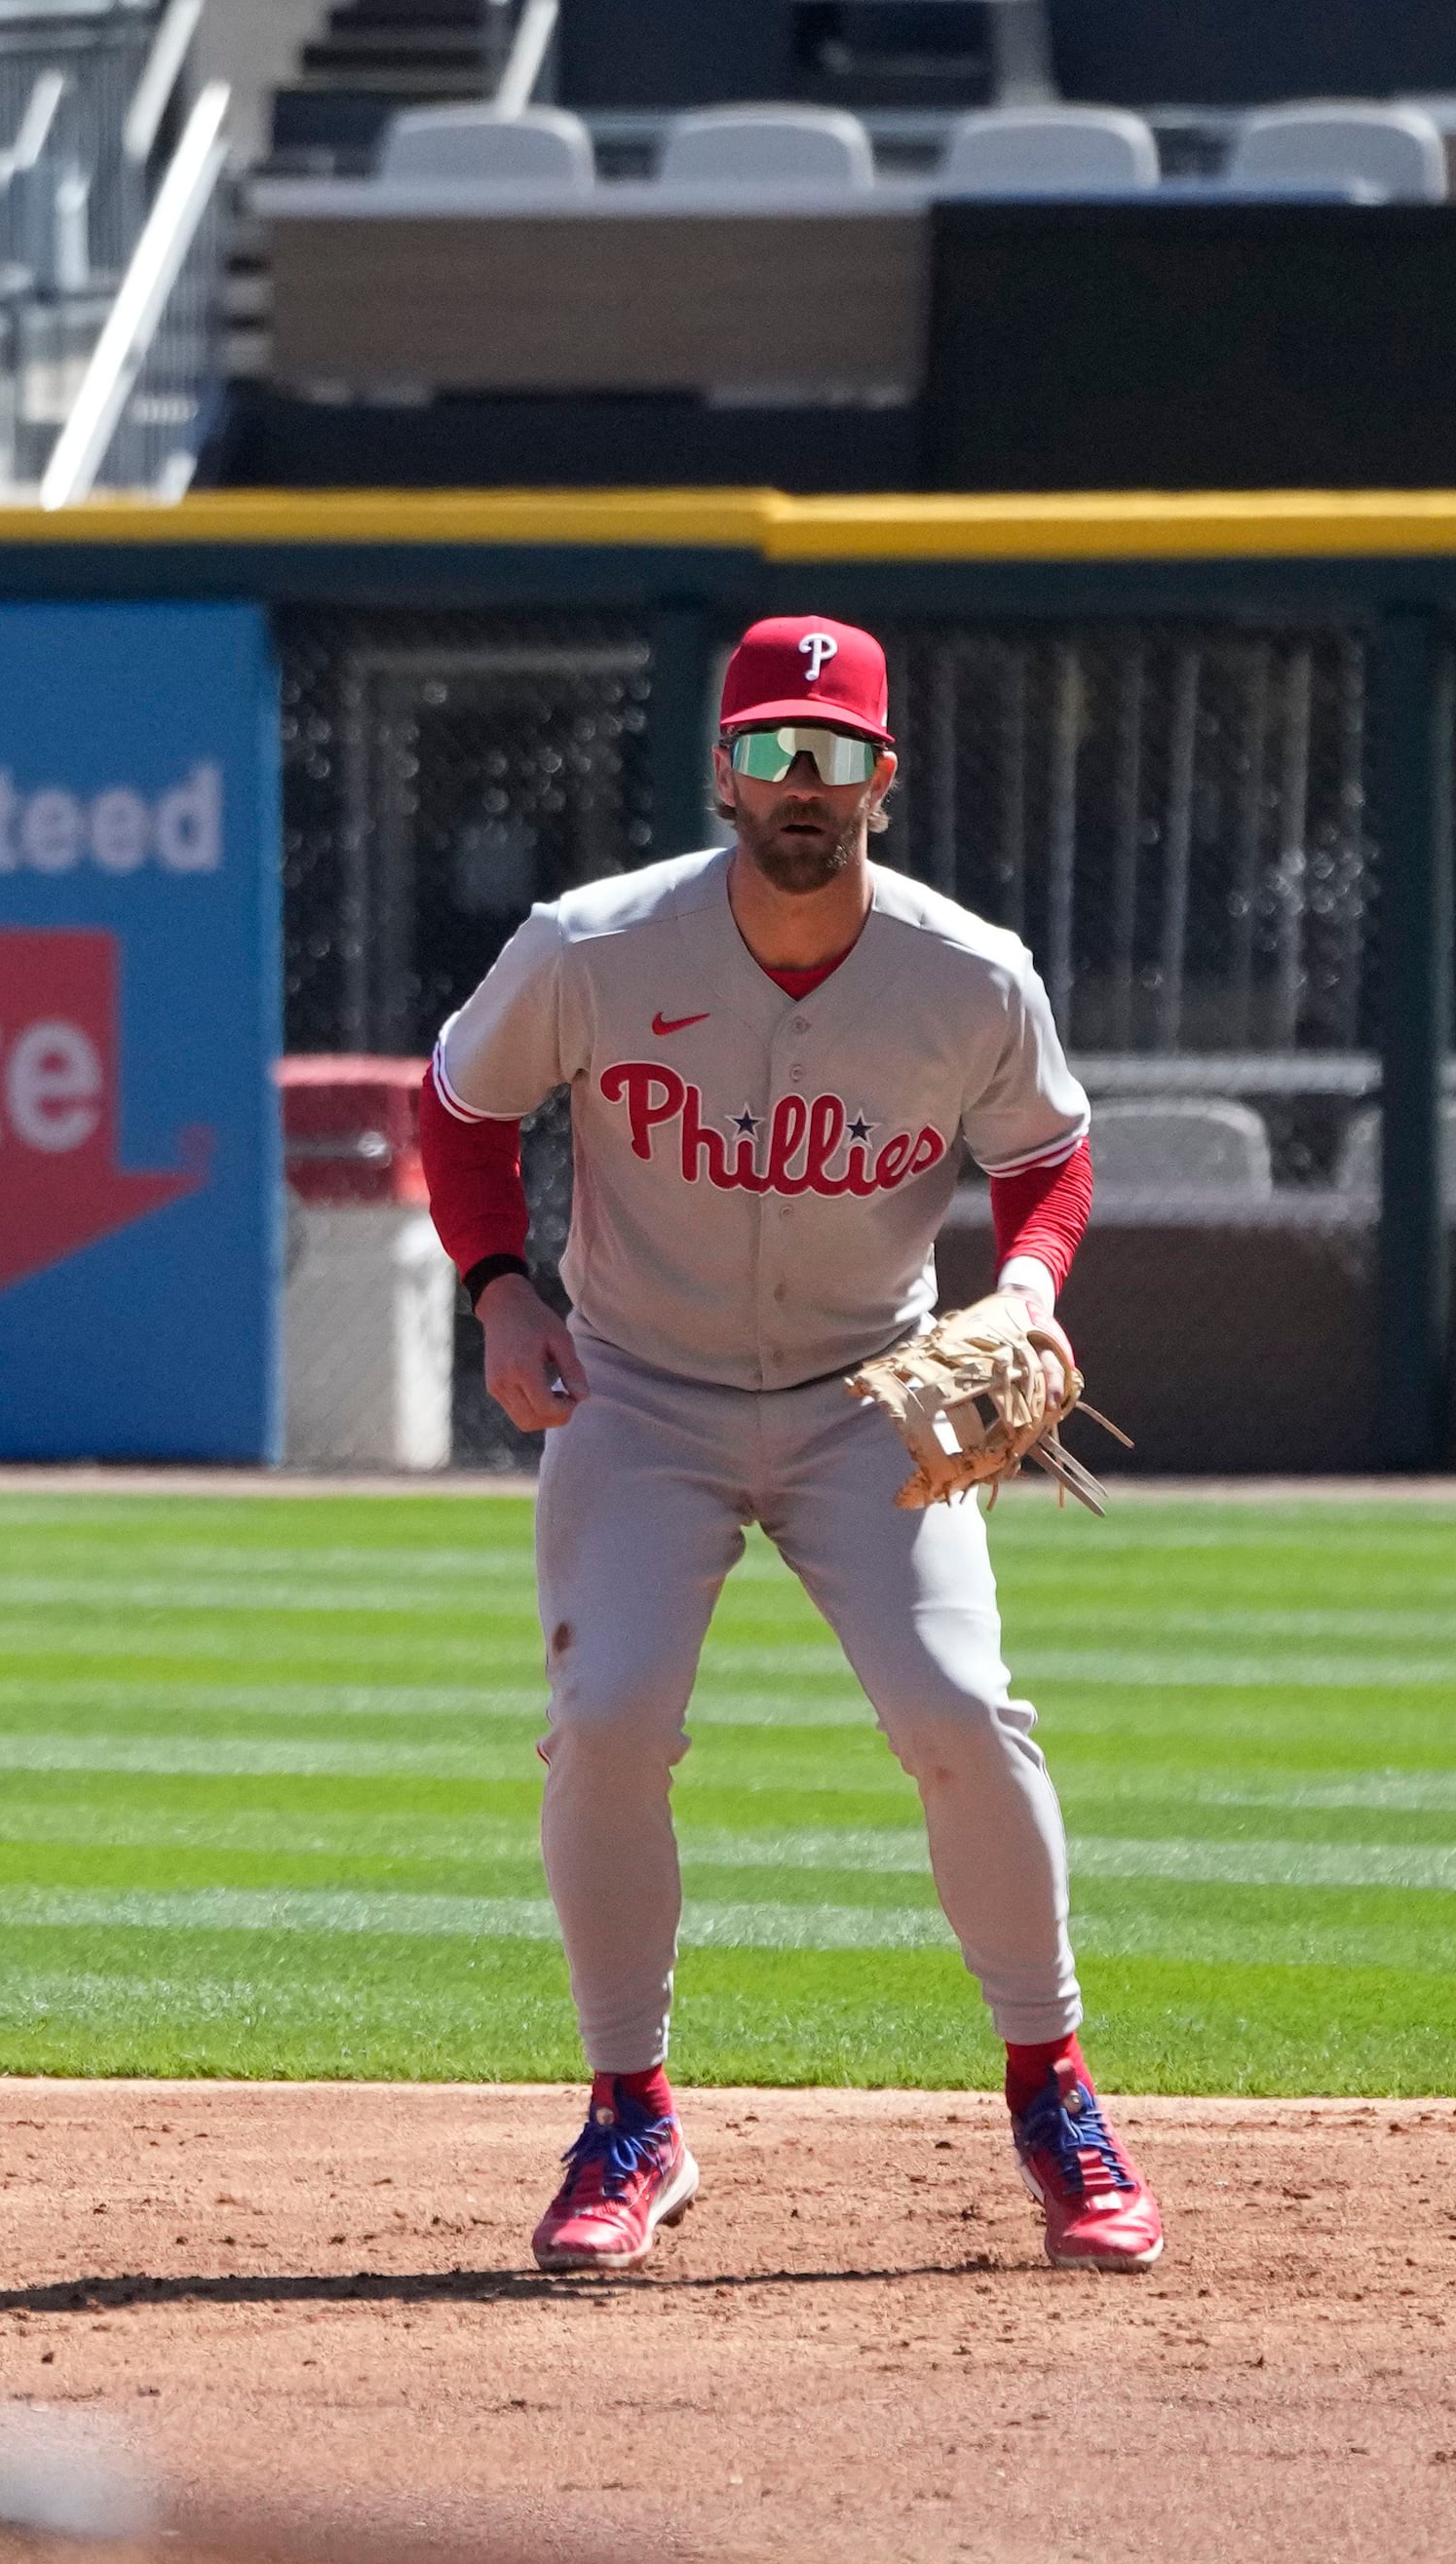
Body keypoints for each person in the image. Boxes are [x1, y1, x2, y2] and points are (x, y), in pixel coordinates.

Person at [414, 616, 1161, 2281]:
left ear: (884, 780)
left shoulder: (970, 971)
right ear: (723, 775)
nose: (801, 784)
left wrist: (1027, 1288)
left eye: (832, 754)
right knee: (606, 1717)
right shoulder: (595, 945)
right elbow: (462, 1104)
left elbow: (1054, 1148)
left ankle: (1056, 2093)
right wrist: (499, 1294)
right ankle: (631, 2115)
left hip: (864, 1400)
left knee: (960, 1711)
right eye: (770, 751)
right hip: (639, 1394)